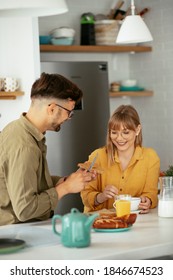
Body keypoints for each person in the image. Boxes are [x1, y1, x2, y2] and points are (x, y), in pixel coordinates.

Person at [0, 72, 96, 226]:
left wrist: (67, 180)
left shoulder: (20, 131)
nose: (68, 118)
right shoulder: (24, 145)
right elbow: (25, 209)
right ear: (51, 109)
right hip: (15, 234)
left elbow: (29, 181)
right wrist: (65, 188)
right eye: (68, 112)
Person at [81, 105, 160, 214]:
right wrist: (101, 196)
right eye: (114, 132)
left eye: (125, 132)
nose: (119, 138)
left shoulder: (150, 157)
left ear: (137, 130)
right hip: (98, 221)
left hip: (135, 220)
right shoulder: (97, 156)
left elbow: (151, 193)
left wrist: (147, 200)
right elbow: (86, 195)